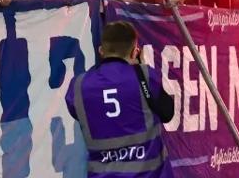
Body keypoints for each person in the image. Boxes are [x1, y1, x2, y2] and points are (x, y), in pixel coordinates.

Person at [66, 21, 175, 177]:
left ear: (101, 51)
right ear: (134, 53)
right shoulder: (143, 75)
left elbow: (78, 113)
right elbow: (167, 113)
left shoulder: (78, 85)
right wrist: (139, 66)